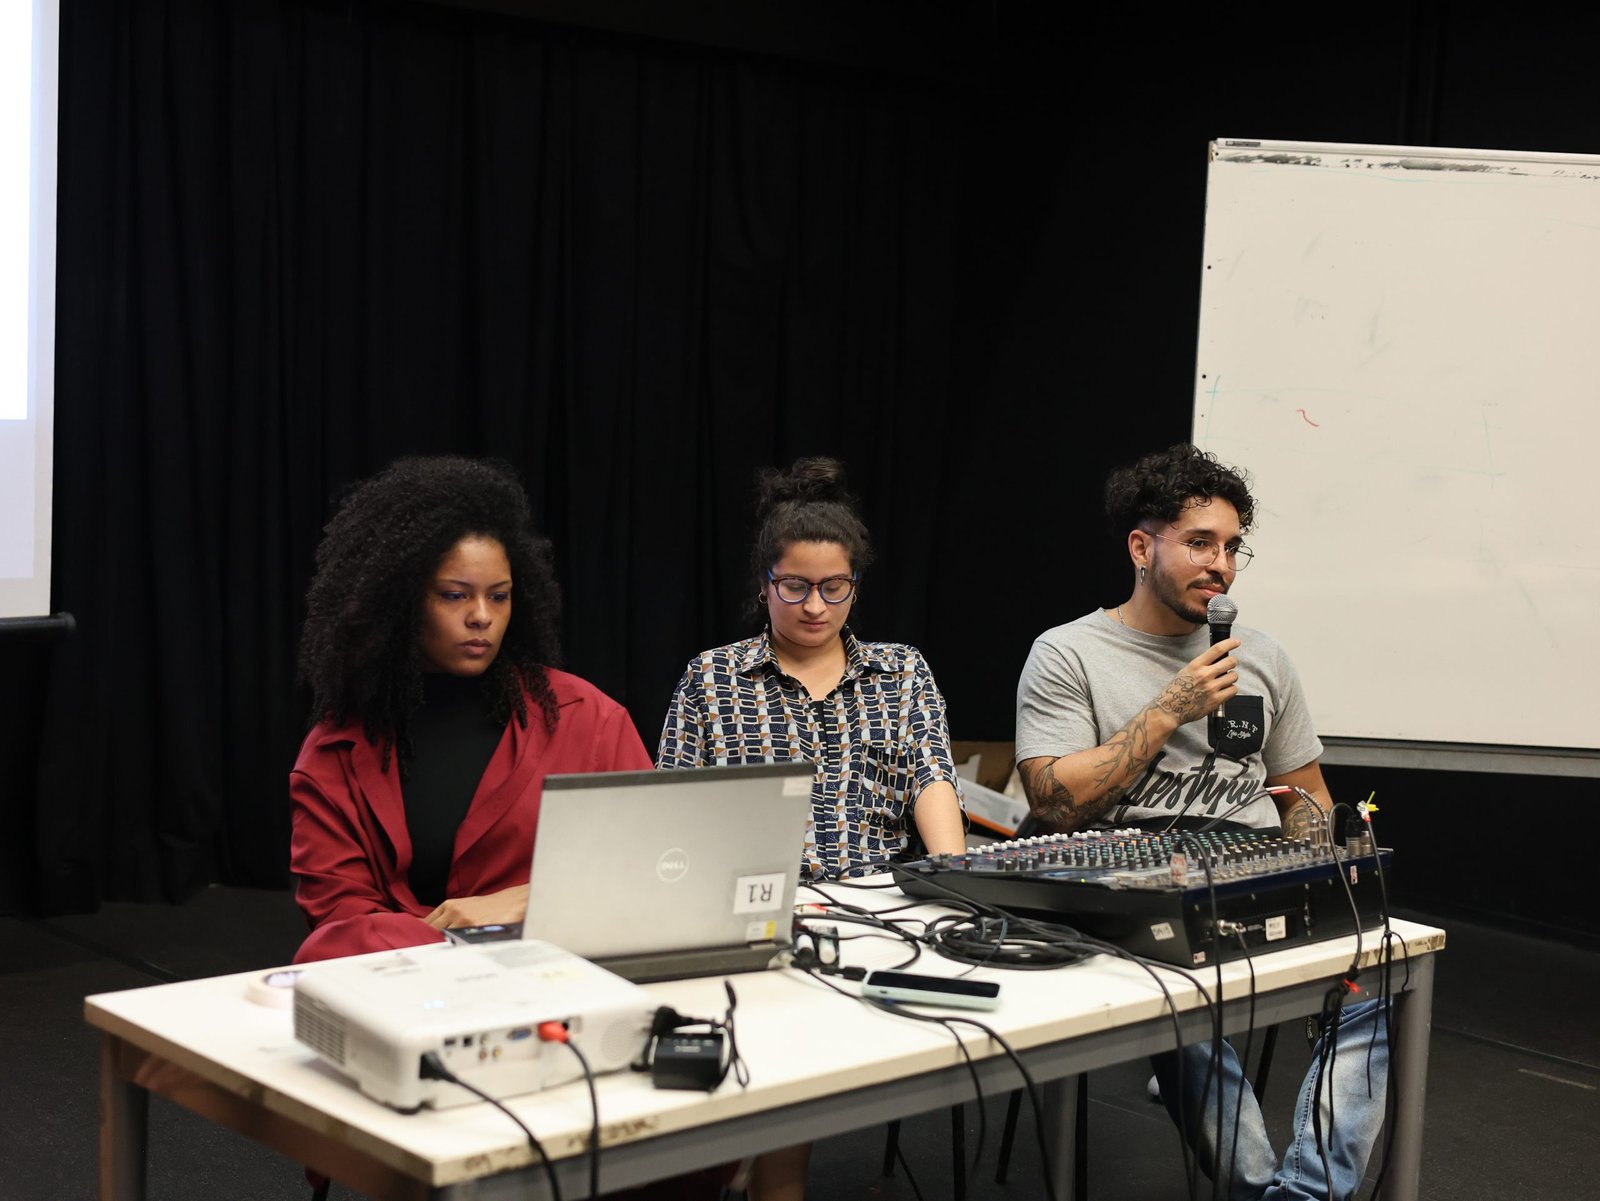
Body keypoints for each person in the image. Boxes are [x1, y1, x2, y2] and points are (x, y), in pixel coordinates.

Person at [1014, 443, 1387, 1201]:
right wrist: (1172, 709)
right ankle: (1263, 1190)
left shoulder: (1265, 658)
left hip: (1250, 874)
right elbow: (1053, 800)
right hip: (1136, 890)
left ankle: (1303, 1192)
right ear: (1142, 547)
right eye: (1199, 542)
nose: (1221, 563)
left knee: (1375, 974)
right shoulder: (1069, 653)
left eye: (1231, 547)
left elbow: (1303, 801)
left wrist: (1331, 885)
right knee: (1181, 990)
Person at [657, 455, 967, 1200]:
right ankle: (768, 1175)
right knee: (779, 1010)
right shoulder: (712, 678)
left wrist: (955, 876)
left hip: (879, 905)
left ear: (855, 584)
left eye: (835, 588)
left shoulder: (900, 671)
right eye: (794, 587)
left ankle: (756, 1165)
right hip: (753, 915)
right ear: (763, 582)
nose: (816, 607)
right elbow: (670, 814)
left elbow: (931, 777)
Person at [290, 455, 652, 963]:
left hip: (562, 982)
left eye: (499, 596)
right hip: (405, 993)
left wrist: (527, 904)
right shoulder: (336, 750)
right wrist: (461, 941)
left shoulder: (588, 719)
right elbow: (339, 925)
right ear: (399, 600)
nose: (481, 617)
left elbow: (648, 871)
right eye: (454, 596)